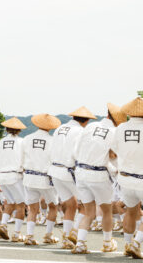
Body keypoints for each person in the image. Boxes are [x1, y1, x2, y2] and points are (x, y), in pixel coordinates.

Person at [71, 103, 125, 254]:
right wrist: (115, 169)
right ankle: (107, 243)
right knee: (106, 211)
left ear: (107, 115)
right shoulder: (115, 132)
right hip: (99, 174)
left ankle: (80, 243)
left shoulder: (90, 126)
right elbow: (114, 156)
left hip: (81, 172)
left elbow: (76, 150)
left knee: (88, 212)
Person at [48, 106, 96, 250]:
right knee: (87, 206)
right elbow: (79, 152)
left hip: (55, 170)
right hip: (70, 172)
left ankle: (66, 237)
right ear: (86, 121)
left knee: (71, 205)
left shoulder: (59, 128)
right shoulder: (81, 131)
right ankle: (74, 232)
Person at [110, 97, 143, 258]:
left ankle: (128, 245)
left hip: (125, 178)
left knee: (131, 211)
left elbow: (114, 150)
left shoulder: (120, 128)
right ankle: (137, 243)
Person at [22, 114, 60, 245]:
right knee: (53, 206)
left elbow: (21, 158)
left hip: (29, 177)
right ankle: (48, 235)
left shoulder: (26, 139)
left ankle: (29, 235)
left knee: (32, 208)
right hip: (45, 177)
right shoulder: (53, 140)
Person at [0, 117, 27, 242]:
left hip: (2, 175)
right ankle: (17, 233)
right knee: (20, 205)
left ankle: (3, 225)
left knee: (10, 202)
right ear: (19, 130)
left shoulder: (0, 142)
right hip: (15, 175)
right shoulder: (22, 142)